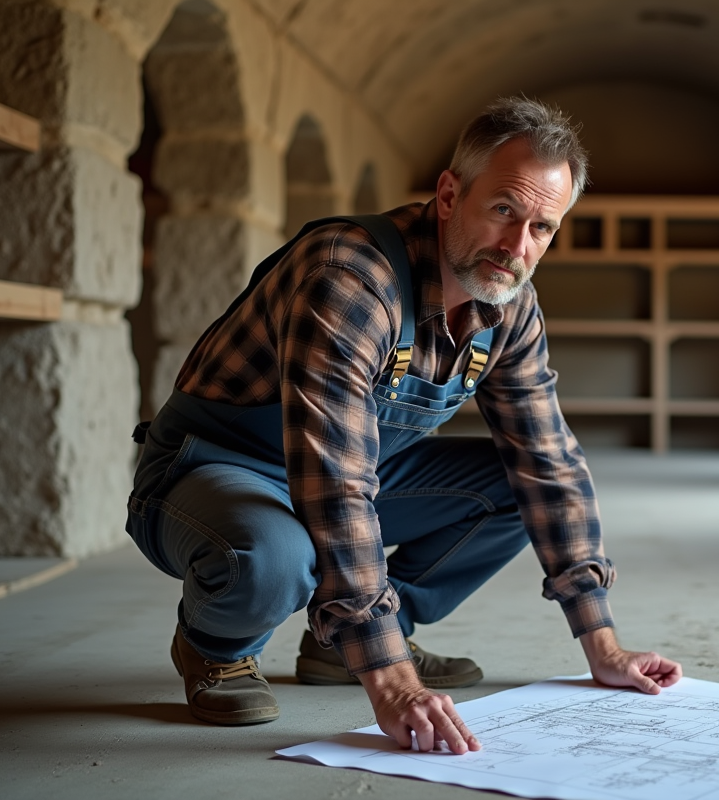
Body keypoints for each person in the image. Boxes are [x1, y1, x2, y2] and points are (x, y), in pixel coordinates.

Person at [125, 96, 682, 752]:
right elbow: (333, 482)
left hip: (355, 467)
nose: (517, 246)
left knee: (518, 485)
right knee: (276, 558)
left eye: (542, 228)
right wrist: (389, 679)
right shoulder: (349, 276)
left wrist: (602, 641)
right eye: (503, 210)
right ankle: (214, 647)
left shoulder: (509, 304)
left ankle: (339, 647)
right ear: (450, 194)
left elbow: (548, 461)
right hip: (215, 469)